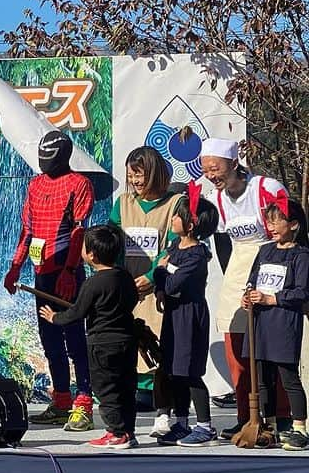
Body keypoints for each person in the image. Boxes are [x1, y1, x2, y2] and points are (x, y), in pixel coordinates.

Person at [201, 137, 291, 439]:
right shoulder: (217, 199)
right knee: (235, 340)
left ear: (233, 164)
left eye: (216, 168)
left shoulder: (267, 188)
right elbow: (223, 241)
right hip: (239, 266)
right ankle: (244, 414)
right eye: (207, 170)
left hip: (271, 261)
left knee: (272, 342)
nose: (212, 175)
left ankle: (282, 415)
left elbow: (289, 229)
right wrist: (234, 279)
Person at [5, 130, 94, 431]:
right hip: (39, 272)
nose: (44, 162)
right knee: (50, 338)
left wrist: (70, 270)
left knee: (74, 336)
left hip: (66, 273)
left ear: (63, 156)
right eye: (42, 156)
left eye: (50, 157)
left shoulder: (79, 184)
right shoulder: (35, 184)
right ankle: (61, 400)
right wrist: (15, 267)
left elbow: (79, 231)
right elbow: (26, 230)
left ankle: (84, 401)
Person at [40, 225, 139, 448]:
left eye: (83, 248)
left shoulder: (93, 282)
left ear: (92, 255)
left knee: (106, 390)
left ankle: (115, 433)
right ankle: (128, 432)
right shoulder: (124, 276)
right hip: (126, 341)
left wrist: (54, 317)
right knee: (125, 387)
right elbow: (133, 298)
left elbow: (77, 312)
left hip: (102, 344)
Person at [108, 146, 181, 437]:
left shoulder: (175, 203)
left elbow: (175, 245)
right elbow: (111, 241)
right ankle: (134, 389)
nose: (136, 182)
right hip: (127, 287)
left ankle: (158, 397)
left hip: (157, 288)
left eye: (140, 175)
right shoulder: (123, 203)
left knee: (156, 339)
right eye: (131, 176)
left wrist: (152, 277)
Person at [152, 183, 221, 446]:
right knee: (173, 370)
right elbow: (165, 283)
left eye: (178, 216)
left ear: (191, 224)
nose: (173, 219)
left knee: (190, 371)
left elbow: (171, 283)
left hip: (190, 316)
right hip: (172, 313)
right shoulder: (174, 246)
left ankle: (205, 426)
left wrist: (161, 271)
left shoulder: (196, 255)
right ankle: (181, 422)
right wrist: (161, 281)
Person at [240, 195, 309, 450]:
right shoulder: (265, 250)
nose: (270, 226)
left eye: (276, 221)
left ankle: (300, 428)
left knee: (288, 378)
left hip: (283, 323)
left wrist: (272, 298)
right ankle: (265, 426)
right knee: (261, 379)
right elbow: (252, 280)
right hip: (259, 322)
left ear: (293, 224)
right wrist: (247, 297)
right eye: (268, 221)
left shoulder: (301, 255)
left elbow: (303, 292)